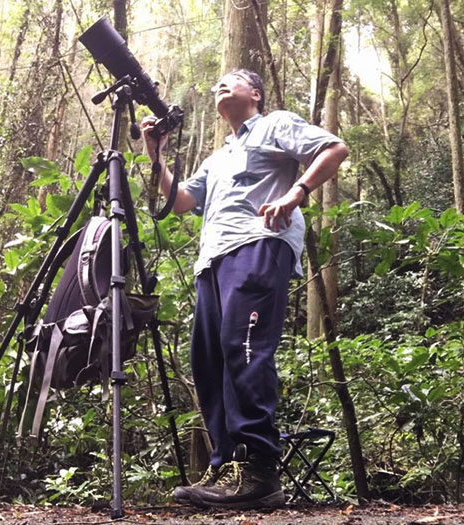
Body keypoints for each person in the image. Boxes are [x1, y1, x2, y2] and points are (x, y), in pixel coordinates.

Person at [141, 69, 349, 510]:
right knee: (209, 359)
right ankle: (231, 467)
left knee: (245, 347)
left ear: (254, 93)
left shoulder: (275, 123)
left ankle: (261, 472)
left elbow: (334, 148)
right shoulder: (217, 157)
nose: (219, 85)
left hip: (258, 244)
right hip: (212, 261)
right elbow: (180, 201)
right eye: (215, 81)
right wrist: (155, 154)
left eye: (231, 80)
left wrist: (295, 194)